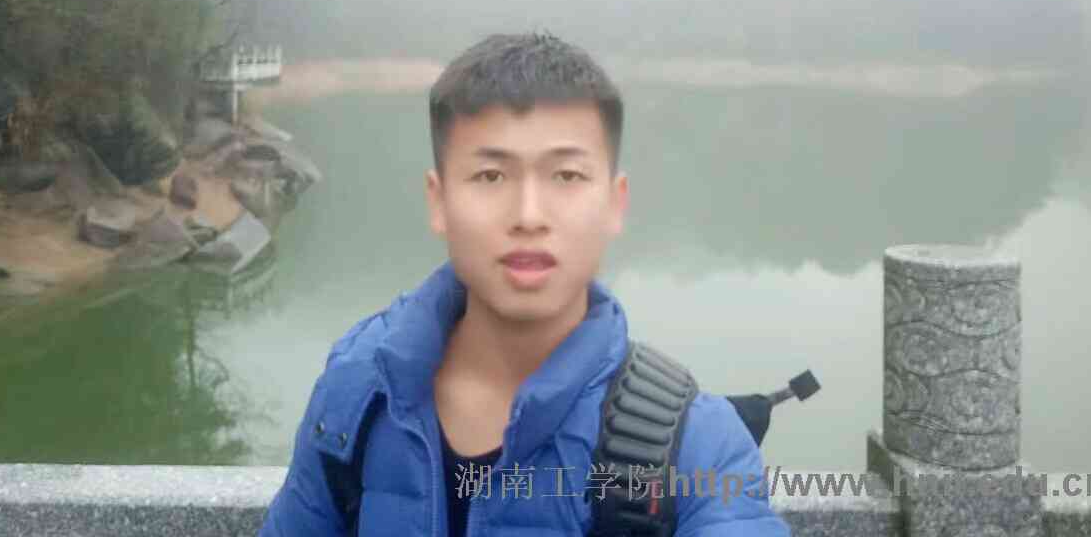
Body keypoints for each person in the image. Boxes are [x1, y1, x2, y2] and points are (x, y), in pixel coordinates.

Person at [260, 31, 789, 535]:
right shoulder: (358, 391)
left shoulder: (697, 446)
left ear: (614, 203)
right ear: (438, 201)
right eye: (491, 176)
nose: (529, 215)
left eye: (567, 176)